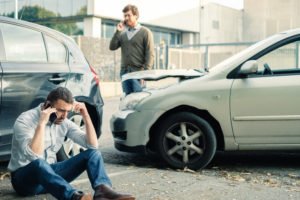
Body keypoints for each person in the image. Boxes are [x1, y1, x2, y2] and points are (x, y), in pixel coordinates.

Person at [7, 87, 135, 200]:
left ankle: (103, 191)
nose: (64, 116)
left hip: (50, 179)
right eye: (61, 110)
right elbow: (34, 156)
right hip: (25, 182)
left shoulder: (63, 122)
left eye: (68, 111)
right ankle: (73, 196)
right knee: (39, 163)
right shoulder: (25, 120)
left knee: (93, 154)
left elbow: (92, 145)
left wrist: (85, 115)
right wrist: (41, 123)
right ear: (47, 106)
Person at [109, 4, 154, 96]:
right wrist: (118, 31)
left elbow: (150, 54)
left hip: (139, 73)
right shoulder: (122, 34)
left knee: (139, 101)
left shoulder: (145, 32)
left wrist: (145, 74)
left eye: (128, 15)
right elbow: (112, 47)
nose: (126, 18)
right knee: (128, 101)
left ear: (136, 16)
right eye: (125, 16)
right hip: (124, 73)